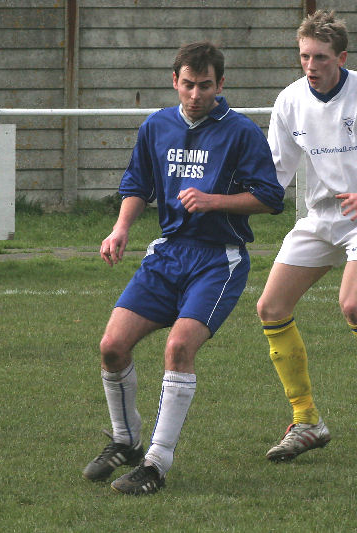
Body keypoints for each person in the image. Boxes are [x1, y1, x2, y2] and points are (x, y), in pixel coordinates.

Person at [82, 41, 285, 495]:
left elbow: (271, 198)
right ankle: (126, 439)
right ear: (175, 81)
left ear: (221, 84)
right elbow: (138, 184)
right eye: (188, 85)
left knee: (178, 348)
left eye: (206, 85)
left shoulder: (240, 132)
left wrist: (215, 201)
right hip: (168, 254)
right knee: (112, 346)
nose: (196, 94)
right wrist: (121, 230)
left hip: (218, 259)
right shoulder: (156, 126)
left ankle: (156, 462)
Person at [257, 10, 357, 464]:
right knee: (271, 307)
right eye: (304, 55)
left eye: (321, 57)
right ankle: (306, 421)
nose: (310, 65)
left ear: (341, 57)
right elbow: (277, 170)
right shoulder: (288, 101)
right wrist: (239, 200)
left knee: (353, 305)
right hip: (321, 216)